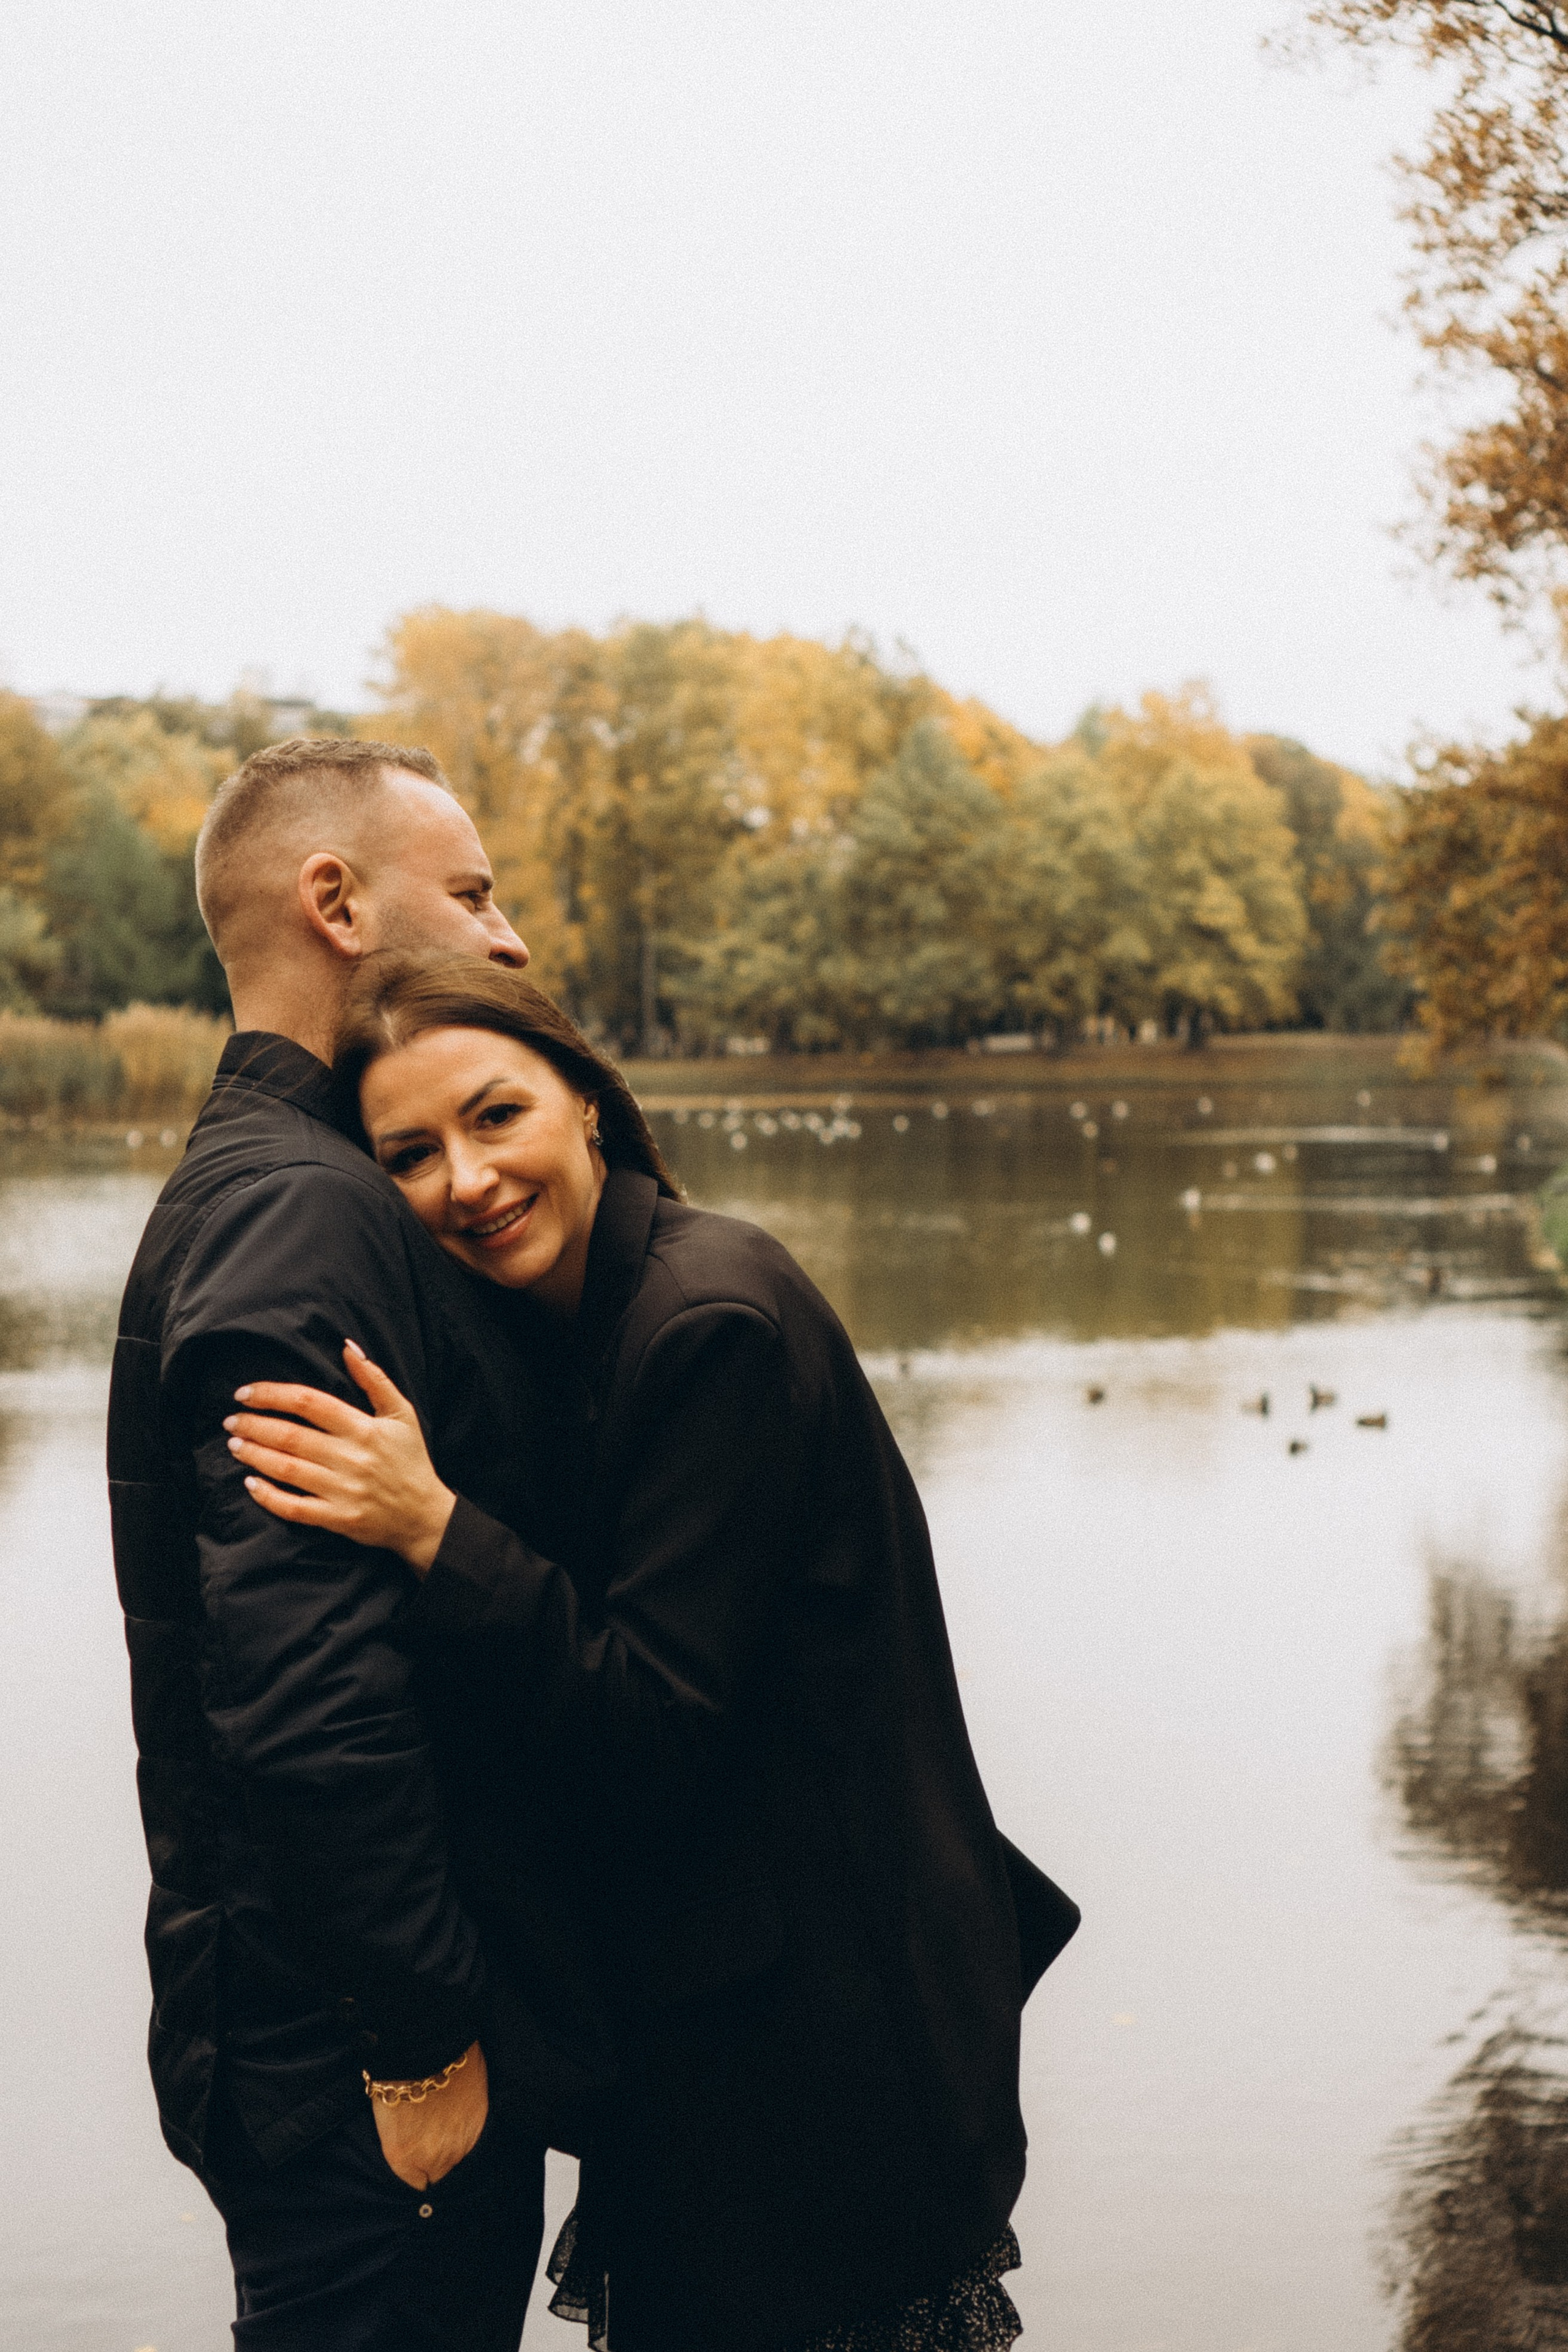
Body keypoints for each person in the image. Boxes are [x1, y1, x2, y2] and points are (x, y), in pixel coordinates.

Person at [224, 951, 1080, 2352]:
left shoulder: (708, 1327)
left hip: (816, 2046)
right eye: (410, 1155)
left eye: (495, 1117)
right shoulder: (573, 1324)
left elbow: (659, 1717)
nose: (466, 1178)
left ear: (587, 1108)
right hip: (723, 2020)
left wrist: (437, 1531)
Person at [108, 739, 609, 2352]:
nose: (508, 936)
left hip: (320, 2030)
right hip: (354, 2059)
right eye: (468, 893)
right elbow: (301, 1675)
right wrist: (416, 2038)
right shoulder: (302, 1213)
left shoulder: (289, 1183)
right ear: (336, 901)